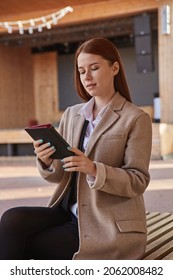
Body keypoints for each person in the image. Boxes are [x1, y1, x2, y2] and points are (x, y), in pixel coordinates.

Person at [0, 37, 152, 260]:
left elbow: (138, 181)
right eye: (82, 71)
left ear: (115, 68)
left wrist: (93, 169)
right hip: (68, 212)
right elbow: (59, 175)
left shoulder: (136, 118)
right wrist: (47, 160)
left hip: (107, 224)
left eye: (94, 68)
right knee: (12, 220)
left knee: (23, 244)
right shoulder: (73, 114)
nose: (87, 77)